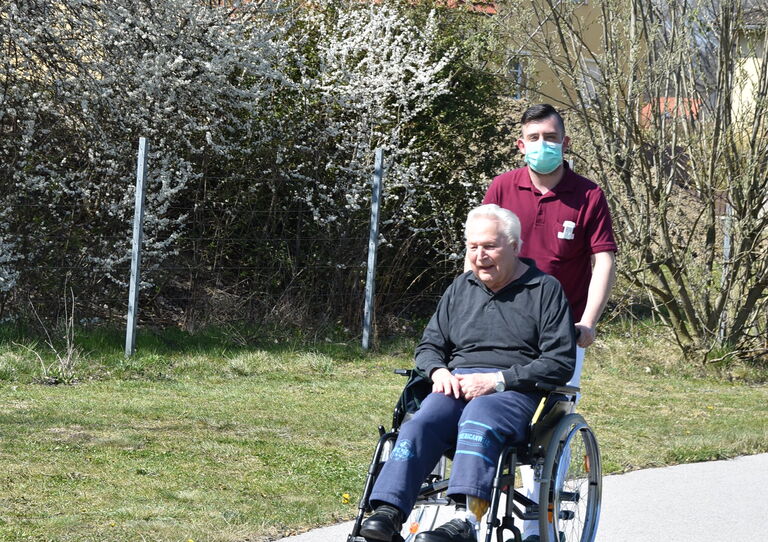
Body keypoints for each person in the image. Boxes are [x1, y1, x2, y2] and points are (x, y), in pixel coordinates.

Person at [360, 204, 577, 542]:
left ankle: (467, 521)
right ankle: (387, 512)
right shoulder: (460, 288)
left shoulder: (545, 290)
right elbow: (430, 345)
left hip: (512, 389)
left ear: (515, 246)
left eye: (489, 246)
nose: (480, 255)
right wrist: (437, 371)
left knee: (479, 416)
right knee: (420, 422)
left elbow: (560, 361)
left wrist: (496, 381)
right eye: (473, 247)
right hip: (456, 382)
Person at [481, 103, 617, 542]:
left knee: (544, 431)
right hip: (504, 327)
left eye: (551, 138)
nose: (543, 145)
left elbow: (603, 261)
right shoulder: (502, 188)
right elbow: (480, 250)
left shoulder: (588, 195)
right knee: (494, 411)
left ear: (566, 143)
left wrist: (589, 322)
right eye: (534, 138)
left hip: (562, 333)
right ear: (521, 145)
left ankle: (535, 524)